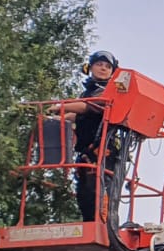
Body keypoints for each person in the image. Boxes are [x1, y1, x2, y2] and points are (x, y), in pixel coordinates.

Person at [47, 50, 118, 222]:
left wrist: (62, 106)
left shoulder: (108, 93)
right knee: (84, 195)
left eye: (108, 66)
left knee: (99, 193)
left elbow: (89, 108)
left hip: (104, 152)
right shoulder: (88, 93)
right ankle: (90, 225)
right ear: (90, 67)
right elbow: (81, 114)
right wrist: (57, 118)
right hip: (88, 153)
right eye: (99, 64)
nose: (103, 68)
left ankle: (104, 229)